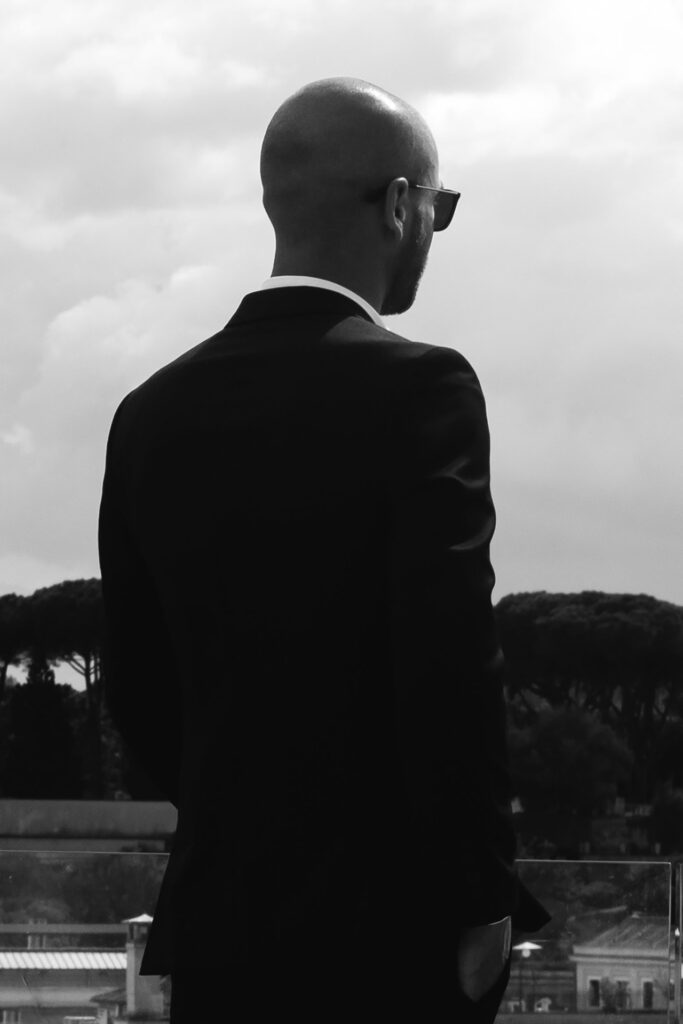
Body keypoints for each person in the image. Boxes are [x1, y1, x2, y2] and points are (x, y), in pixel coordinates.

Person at [98, 77, 549, 1022]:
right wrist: (478, 893)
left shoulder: (147, 413)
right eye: (439, 208)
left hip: (221, 930)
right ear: (398, 205)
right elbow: (450, 662)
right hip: (391, 932)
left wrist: (243, 820)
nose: (433, 230)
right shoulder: (422, 388)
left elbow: (136, 687)